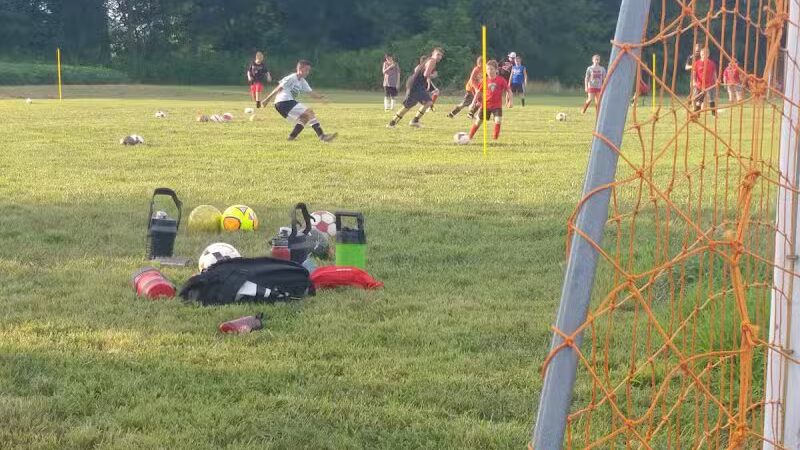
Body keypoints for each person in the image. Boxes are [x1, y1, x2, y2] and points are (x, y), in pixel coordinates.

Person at [261, 60, 337, 142]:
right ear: (300, 69)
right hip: (283, 101)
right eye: (306, 70)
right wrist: (266, 100)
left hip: (285, 104)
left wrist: (322, 97)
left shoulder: (302, 81)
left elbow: (311, 93)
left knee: (304, 118)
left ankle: (291, 138)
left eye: (309, 70)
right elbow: (278, 88)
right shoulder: (292, 77)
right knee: (309, 112)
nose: (308, 72)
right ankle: (322, 136)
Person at [387, 47, 445, 128]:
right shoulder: (432, 60)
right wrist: (433, 75)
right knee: (425, 103)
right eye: (438, 54)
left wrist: (429, 83)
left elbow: (417, 69)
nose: (439, 57)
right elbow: (426, 74)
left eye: (441, 55)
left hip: (416, 84)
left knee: (412, 105)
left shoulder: (428, 60)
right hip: (415, 85)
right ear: (433, 54)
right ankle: (404, 122)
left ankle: (402, 122)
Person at [467, 60, 513, 141]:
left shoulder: (501, 80)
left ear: (496, 70)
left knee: (498, 120)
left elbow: (509, 91)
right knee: (478, 122)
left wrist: (510, 101)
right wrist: (473, 103)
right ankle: (469, 137)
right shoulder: (484, 80)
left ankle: (495, 139)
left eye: (491, 69)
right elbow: (478, 92)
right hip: (485, 105)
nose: (489, 71)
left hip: (497, 106)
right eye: (487, 69)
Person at [692, 47, 718, 115]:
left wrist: (716, 81)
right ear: (700, 54)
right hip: (700, 85)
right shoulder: (696, 63)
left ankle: (713, 114)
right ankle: (697, 114)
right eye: (702, 54)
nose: (703, 55)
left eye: (705, 54)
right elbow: (694, 74)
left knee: (711, 99)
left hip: (710, 84)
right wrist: (694, 82)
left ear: (708, 54)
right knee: (697, 100)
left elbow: (714, 74)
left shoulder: (712, 63)